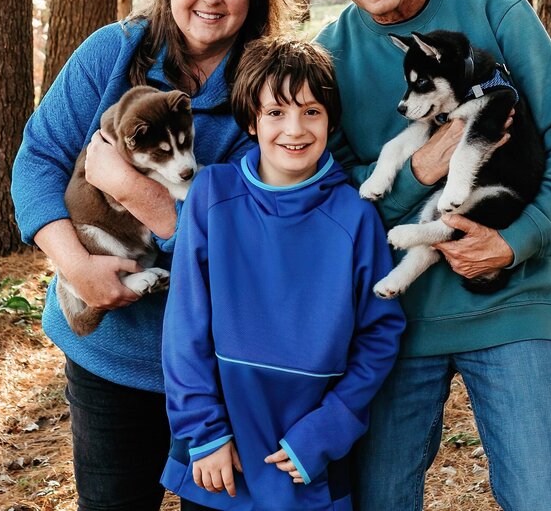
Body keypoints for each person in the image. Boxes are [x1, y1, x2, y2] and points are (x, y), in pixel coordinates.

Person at [302, 0, 551, 511]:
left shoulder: (496, 12)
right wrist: (419, 172)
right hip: (392, 323)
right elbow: (334, 200)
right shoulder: (326, 58)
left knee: (544, 498)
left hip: (510, 302)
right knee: (377, 502)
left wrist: (513, 242)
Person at [11, 0, 290, 511]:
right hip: (111, 357)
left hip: (224, 370)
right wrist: (75, 266)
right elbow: (37, 159)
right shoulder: (112, 53)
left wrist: (137, 192)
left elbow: (251, 247)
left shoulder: (272, 91)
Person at [160, 36, 406, 511]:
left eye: (311, 111)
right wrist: (204, 432)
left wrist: (329, 427)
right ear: (251, 120)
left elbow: (380, 333)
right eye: (276, 112)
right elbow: (184, 325)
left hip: (310, 452)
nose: (294, 128)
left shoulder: (355, 215)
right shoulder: (213, 194)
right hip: (222, 452)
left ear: (331, 119)